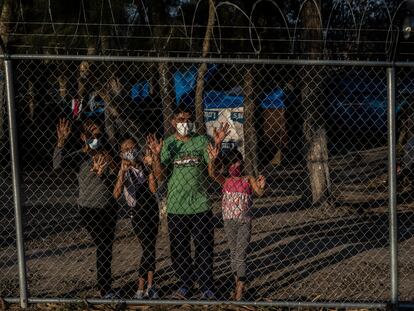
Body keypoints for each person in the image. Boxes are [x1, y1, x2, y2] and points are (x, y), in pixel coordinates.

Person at [148, 104, 229, 300]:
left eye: (188, 120)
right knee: (179, 249)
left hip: (200, 204)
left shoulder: (201, 141)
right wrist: (157, 156)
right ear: (173, 122)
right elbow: (160, 176)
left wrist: (217, 147)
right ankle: (185, 284)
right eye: (181, 120)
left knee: (204, 248)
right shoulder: (168, 144)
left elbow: (212, 172)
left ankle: (206, 286)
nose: (185, 124)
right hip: (176, 206)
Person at [53, 118, 118, 298]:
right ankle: (105, 288)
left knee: (106, 247)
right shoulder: (79, 156)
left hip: (109, 207)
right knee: (103, 245)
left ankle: (105, 287)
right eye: (91, 134)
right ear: (83, 137)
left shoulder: (107, 153)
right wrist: (61, 142)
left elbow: (117, 174)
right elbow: (57, 165)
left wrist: (105, 164)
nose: (95, 137)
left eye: (98, 134)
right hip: (89, 208)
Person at [207, 146, 266, 301]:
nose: (234, 167)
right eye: (231, 164)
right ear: (227, 166)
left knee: (240, 254)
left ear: (242, 163)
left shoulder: (248, 179)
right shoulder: (225, 181)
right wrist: (213, 159)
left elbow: (259, 192)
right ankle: (237, 283)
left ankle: (240, 287)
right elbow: (211, 173)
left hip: (244, 222)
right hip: (228, 221)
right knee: (233, 253)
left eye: (237, 163)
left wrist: (261, 186)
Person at [113, 138, 160, 299]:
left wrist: (150, 168)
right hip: (136, 212)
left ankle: (151, 286)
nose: (130, 150)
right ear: (121, 153)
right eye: (126, 148)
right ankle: (140, 286)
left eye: (133, 147)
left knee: (151, 247)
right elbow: (117, 193)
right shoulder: (124, 170)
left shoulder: (144, 166)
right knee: (147, 247)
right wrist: (122, 171)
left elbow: (153, 189)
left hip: (151, 210)